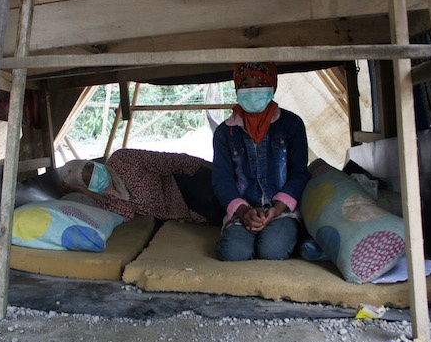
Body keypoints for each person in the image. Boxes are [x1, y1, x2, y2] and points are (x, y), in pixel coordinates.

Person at [212, 62, 311, 261]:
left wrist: (276, 209)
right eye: (245, 84)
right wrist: (244, 211)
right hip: (242, 212)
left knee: (271, 251)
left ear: (273, 87)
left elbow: (299, 173)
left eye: (260, 83)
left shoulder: (292, 124)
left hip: (282, 212)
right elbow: (222, 180)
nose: (252, 90)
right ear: (237, 89)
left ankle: (288, 234)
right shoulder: (225, 132)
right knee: (234, 253)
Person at [58, 148, 224, 224]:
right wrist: (82, 191)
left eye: (89, 167)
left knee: (217, 198)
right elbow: (127, 213)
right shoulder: (107, 200)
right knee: (220, 216)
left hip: (184, 182)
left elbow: (169, 160)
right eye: (86, 180)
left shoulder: (122, 159)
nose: (94, 175)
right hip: (186, 209)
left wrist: (212, 167)